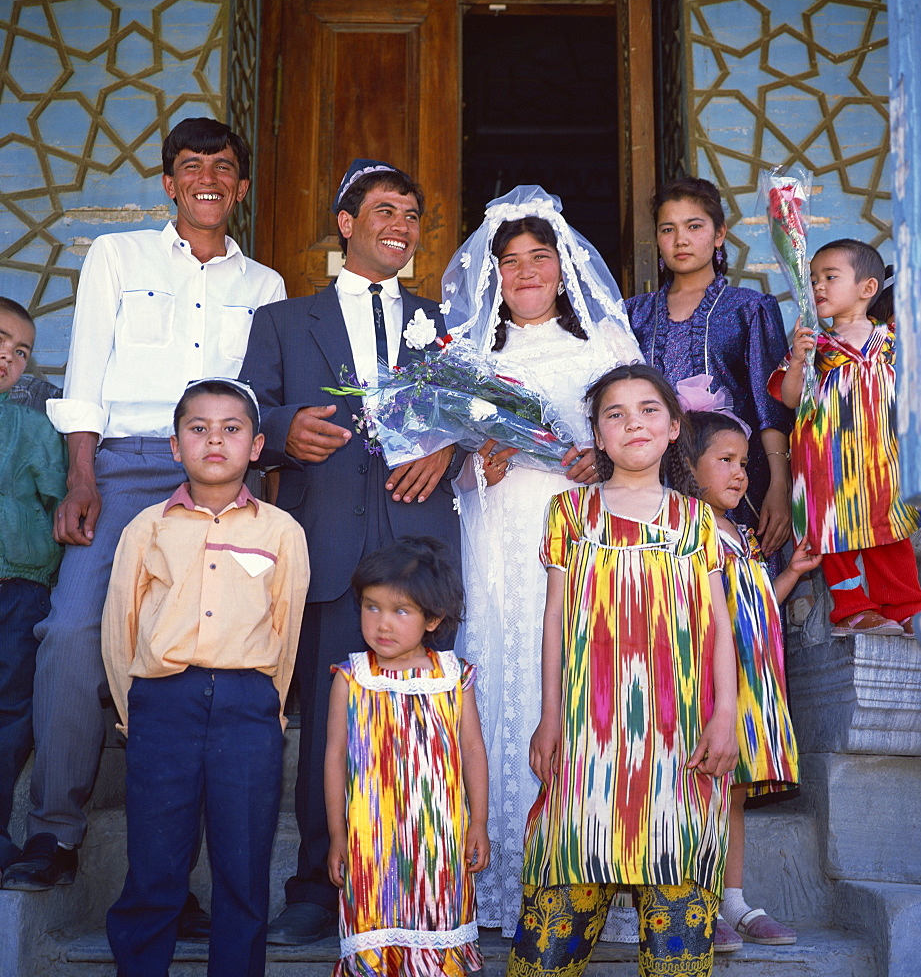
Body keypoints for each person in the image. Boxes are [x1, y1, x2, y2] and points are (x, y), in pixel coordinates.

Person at [1, 117, 285, 927]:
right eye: (191, 166)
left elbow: (259, 397)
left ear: (240, 185)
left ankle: (178, 878)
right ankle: (54, 831)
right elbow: (87, 365)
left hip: (222, 478)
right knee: (68, 635)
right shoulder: (116, 258)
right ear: (168, 183)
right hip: (122, 467)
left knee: (203, 660)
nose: (208, 178)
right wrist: (80, 475)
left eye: (224, 167)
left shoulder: (262, 285)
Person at [241, 159, 462, 944]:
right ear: (346, 223)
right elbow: (248, 414)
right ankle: (313, 883)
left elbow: (475, 415)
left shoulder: (444, 320)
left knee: (421, 718)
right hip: (326, 539)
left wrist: (450, 449)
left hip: (420, 538)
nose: (399, 225)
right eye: (384, 210)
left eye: (411, 214)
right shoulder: (283, 321)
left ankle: (412, 878)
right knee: (332, 717)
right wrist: (285, 430)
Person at [440, 185, 642, 934]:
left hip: (582, 534)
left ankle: (584, 869)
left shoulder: (607, 348)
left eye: (539, 257)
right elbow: (444, 467)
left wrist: (603, 455)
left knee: (578, 674)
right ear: (493, 273)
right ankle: (498, 873)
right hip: (497, 531)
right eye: (510, 260)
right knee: (502, 664)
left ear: (563, 268)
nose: (526, 272)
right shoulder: (466, 356)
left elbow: (643, 435)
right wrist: (476, 467)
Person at [506, 364, 738, 977]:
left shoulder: (697, 520)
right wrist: (550, 718)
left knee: (677, 878)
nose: (633, 422)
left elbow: (719, 625)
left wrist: (726, 715)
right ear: (599, 438)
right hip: (590, 735)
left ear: (673, 429)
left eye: (648, 410)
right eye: (615, 414)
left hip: (679, 733)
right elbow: (556, 620)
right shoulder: (570, 512)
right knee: (565, 879)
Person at [101, 378, 308, 975]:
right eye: (198, 428)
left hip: (248, 707)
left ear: (256, 444)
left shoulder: (279, 531)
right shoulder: (147, 528)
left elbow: (286, 628)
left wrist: (270, 706)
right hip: (162, 702)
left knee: (243, 866)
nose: (214, 440)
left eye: (231, 429)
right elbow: (122, 628)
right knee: (155, 862)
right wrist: (133, 710)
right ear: (175, 446)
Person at [682, 398, 821, 951]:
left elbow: (757, 604)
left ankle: (733, 901)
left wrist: (789, 573)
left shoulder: (741, 533)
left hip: (754, 687)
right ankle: (694, 899)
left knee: (733, 795)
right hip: (711, 687)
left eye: (744, 462)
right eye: (726, 460)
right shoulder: (689, 534)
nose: (740, 472)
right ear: (688, 467)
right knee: (701, 795)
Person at [325, 537, 488, 976]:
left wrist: (478, 823)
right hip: (370, 841)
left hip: (439, 841)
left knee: (438, 928)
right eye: (372, 607)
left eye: (401, 611)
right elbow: (336, 756)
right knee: (373, 929)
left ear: (433, 618)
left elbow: (473, 749)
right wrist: (338, 835)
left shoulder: (454, 676)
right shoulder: (352, 677)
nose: (382, 624)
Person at [626, 177, 793, 563]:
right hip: (653, 481)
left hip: (736, 488)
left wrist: (780, 486)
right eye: (668, 229)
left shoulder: (749, 308)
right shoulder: (633, 314)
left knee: (739, 596)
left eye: (694, 226)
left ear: (720, 234)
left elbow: (770, 405)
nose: (680, 239)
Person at [768, 239, 921, 635]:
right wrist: (799, 359)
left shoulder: (891, 340)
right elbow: (788, 398)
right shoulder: (816, 346)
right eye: (813, 279)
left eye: (830, 277)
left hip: (883, 460)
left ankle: (908, 606)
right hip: (827, 462)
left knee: (892, 529)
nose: (818, 287)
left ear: (867, 288)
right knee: (834, 533)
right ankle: (852, 608)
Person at [0, 298, 67, 873]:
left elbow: (58, 499)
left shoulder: (31, 425)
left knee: (10, 709)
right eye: (0, 340)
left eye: (21, 352)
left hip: (20, 585)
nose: (8, 357)